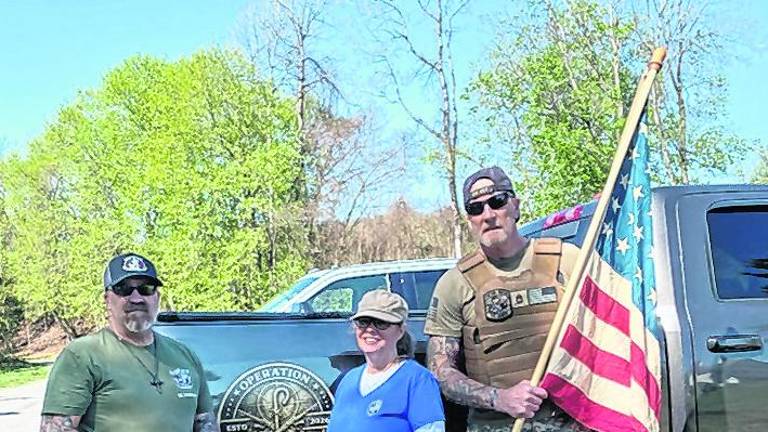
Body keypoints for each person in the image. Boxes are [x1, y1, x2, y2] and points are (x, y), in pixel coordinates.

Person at [424, 166, 591, 432]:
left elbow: (606, 335)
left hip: (571, 422)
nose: (488, 215)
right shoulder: (454, 284)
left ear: (515, 206)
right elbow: (441, 371)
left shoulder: (568, 261)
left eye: (497, 201)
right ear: (469, 220)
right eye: (476, 208)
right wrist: (499, 398)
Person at [40, 253, 216, 432]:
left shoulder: (185, 356)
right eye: (123, 289)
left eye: (146, 288)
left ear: (157, 297)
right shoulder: (82, 355)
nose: (136, 298)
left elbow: (205, 424)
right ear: (107, 300)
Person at [327, 289, 446, 432]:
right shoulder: (347, 381)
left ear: (401, 330)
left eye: (381, 323)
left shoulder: (417, 380)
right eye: (363, 322)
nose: (370, 329)